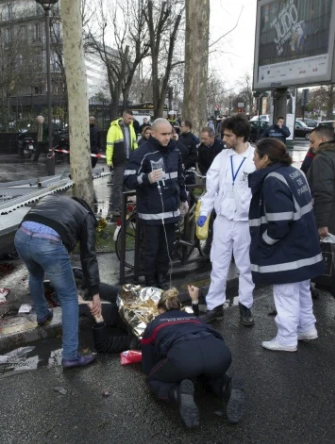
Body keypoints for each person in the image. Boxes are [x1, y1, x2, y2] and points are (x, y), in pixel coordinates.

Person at [249, 138, 324, 352]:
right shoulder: (294, 173)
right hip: (304, 244)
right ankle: (306, 328)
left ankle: (287, 338)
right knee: (301, 289)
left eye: (256, 155)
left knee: (286, 294)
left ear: (266, 158)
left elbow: (279, 222)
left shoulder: (272, 180)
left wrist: (265, 242)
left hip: (287, 250)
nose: (253, 159)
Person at [14, 195, 101, 369]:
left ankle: (42, 315)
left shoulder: (53, 200)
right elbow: (88, 257)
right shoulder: (86, 215)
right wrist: (95, 293)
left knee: (35, 274)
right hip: (48, 243)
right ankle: (70, 355)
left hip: (21, 236)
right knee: (69, 297)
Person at [141, 288, 244, 428]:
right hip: (220, 353)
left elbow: (148, 364)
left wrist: (162, 371)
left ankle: (178, 394)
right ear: (179, 306)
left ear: (160, 309)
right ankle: (228, 387)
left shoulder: (154, 323)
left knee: (153, 378)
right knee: (206, 374)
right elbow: (217, 336)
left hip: (183, 358)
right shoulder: (194, 318)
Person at [196, 115, 256, 325]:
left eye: (228, 135)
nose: (224, 138)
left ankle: (246, 306)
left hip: (244, 222)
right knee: (218, 264)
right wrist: (204, 212)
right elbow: (210, 189)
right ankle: (215, 306)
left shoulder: (255, 157)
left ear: (240, 136)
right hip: (222, 220)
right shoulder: (222, 157)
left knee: (246, 266)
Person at [124, 118, 187, 288]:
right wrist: (146, 178)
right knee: (150, 251)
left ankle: (163, 280)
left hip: (171, 211)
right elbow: (128, 179)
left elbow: (180, 178)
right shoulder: (142, 153)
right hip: (151, 213)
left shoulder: (175, 152)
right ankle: (150, 282)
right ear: (152, 133)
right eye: (164, 134)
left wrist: (184, 198)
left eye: (170, 134)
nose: (168, 138)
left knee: (167, 250)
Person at [305, 125, 335, 320]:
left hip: (326, 218)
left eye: (313, 141)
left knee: (324, 270)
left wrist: (321, 223)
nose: (311, 145)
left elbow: (323, 193)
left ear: (322, 141)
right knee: (325, 267)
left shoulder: (323, 159)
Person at [106, 110, 138, 217]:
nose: (131, 120)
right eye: (129, 118)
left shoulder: (131, 128)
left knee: (127, 185)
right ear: (123, 117)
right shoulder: (114, 128)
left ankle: (124, 206)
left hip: (129, 161)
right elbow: (109, 145)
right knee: (118, 185)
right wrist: (109, 161)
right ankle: (114, 208)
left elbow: (134, 144)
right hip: (119, 161)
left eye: (131, 118)